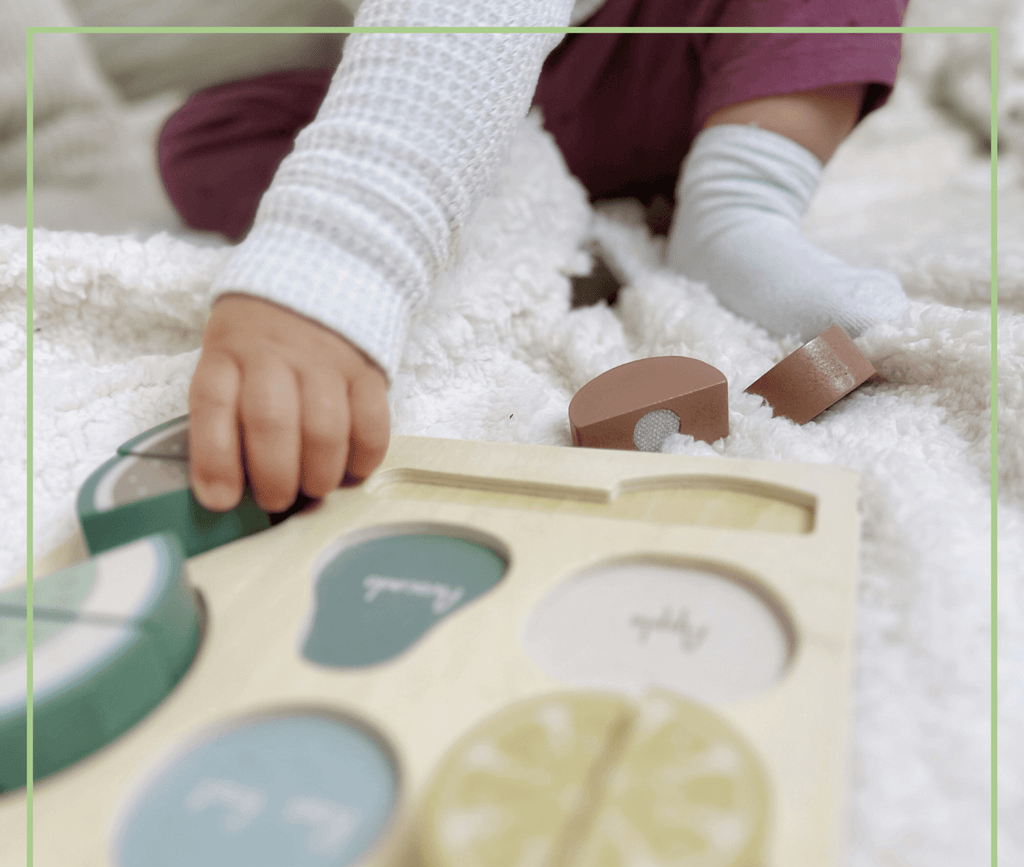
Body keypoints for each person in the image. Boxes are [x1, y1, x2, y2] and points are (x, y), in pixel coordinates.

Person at [158, 0, 910, 516]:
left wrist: (343, 244)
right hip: (487, 100)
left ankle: (738, 202)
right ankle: (527, 213)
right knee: (200, 135)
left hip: (675, 58)